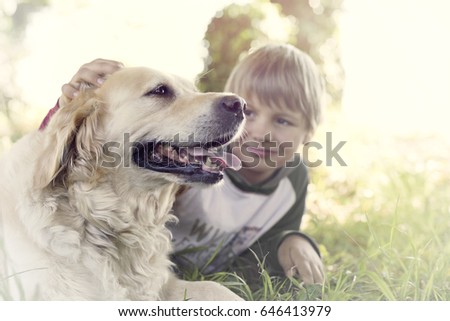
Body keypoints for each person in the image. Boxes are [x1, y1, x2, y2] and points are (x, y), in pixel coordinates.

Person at [42, 44, 325, 285]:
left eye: (283, 121)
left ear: (308, 134)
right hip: (145, 273)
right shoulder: (194, 155)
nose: (261, 133)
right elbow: (67, 170)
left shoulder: (294, 178)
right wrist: (67, 106)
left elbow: (270, 240)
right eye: (248, 111)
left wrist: (293, 240)